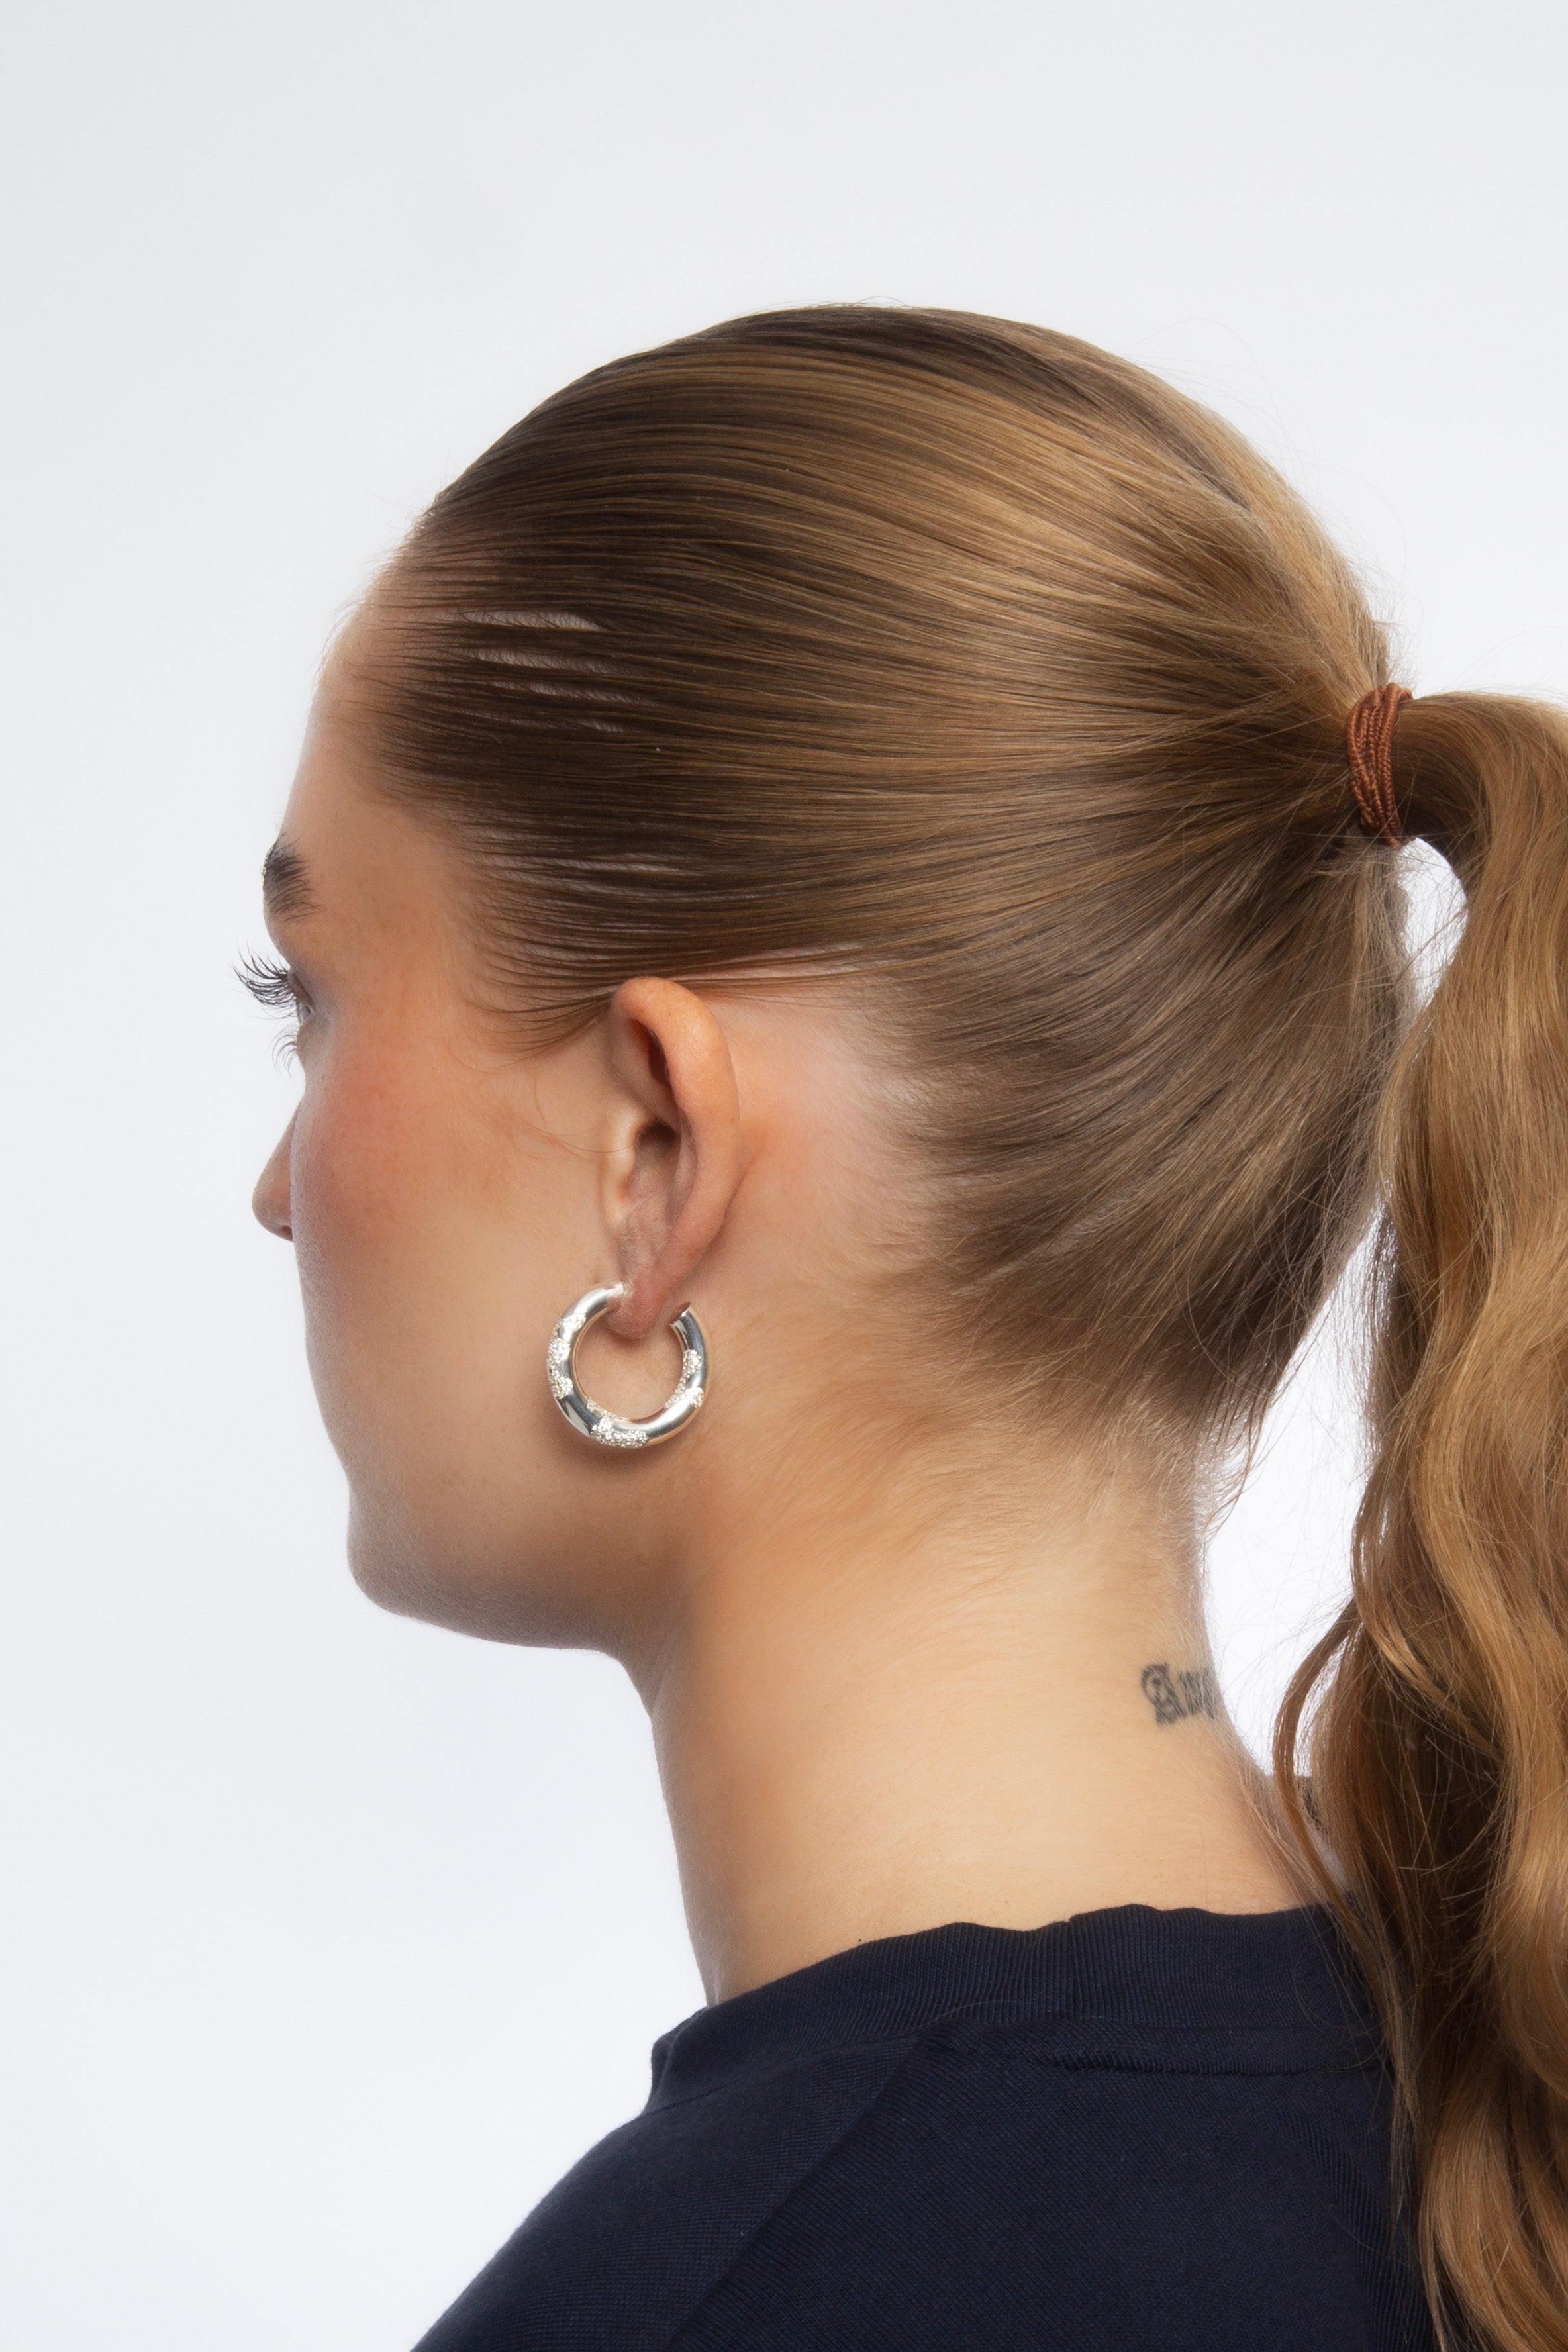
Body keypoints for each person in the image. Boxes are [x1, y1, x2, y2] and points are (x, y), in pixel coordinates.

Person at [247, 307, 1568, 2352]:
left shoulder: (727, 2300)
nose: (280, 1187)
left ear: (656, 1155)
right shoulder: (1484, 2128)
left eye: (311, 998)